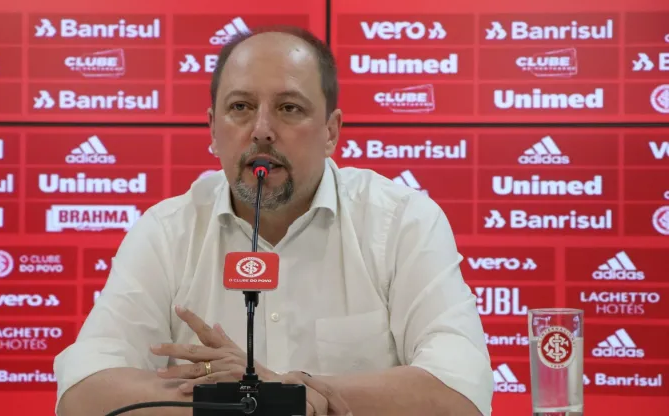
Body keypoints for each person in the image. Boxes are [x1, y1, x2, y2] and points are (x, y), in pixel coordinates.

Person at [53, 25, 493, 416]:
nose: (262, 129)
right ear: (212, 130)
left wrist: (270, 391)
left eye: (289, 108)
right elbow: (84, 393)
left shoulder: (401, 222)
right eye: (241, 107)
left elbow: (461, 392)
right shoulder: (167, 231)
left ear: (331, 132)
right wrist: (264, 398)